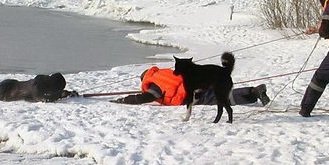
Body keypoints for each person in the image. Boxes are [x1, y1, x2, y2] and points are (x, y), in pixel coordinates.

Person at [112, 66, 271, 106]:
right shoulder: (163, 73)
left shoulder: (154, 83)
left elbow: (147, 97)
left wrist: (125, 100)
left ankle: (254, 93)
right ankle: (252, 93)